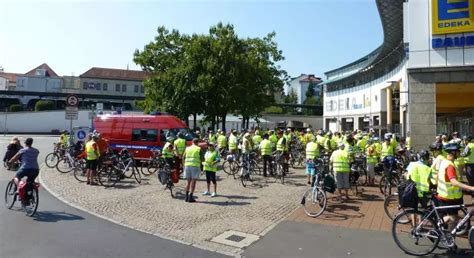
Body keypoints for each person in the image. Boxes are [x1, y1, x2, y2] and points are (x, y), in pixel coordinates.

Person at [436, 143, 474, 232]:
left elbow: (438, 177)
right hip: (448, 197)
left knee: (455, 218)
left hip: (447, 195)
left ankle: (446, 233)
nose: (459, 153)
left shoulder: (445, 162)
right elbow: (453, 182)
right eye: (458, 151)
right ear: (453, 152)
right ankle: (448, 237)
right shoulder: (450, 166)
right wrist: (471, 188)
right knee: (452, 218)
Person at [183, 138, 202, 203]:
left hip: (187, 165)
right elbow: (202, 158)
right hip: (195, 166)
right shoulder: (198, 148)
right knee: (193, 182)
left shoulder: (187, 148)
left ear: (192, 142)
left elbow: (183, 157)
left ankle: (186, 197)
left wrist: (184, 164)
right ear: (197, 143)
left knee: (188, 182)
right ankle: (190, 197)